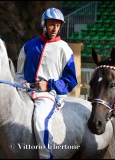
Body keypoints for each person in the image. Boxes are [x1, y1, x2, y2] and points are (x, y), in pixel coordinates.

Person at [16, 8, 78, 159]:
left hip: (48, 95)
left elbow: (71, 81)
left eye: (58, 25)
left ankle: (46, 156)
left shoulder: (65, 49)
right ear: (44, 24)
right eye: (51, 25)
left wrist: (49, 85)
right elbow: (18, 74)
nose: (54, 29)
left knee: (40, 119)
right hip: (24, 91)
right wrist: (21, 82)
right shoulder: (28, 46)